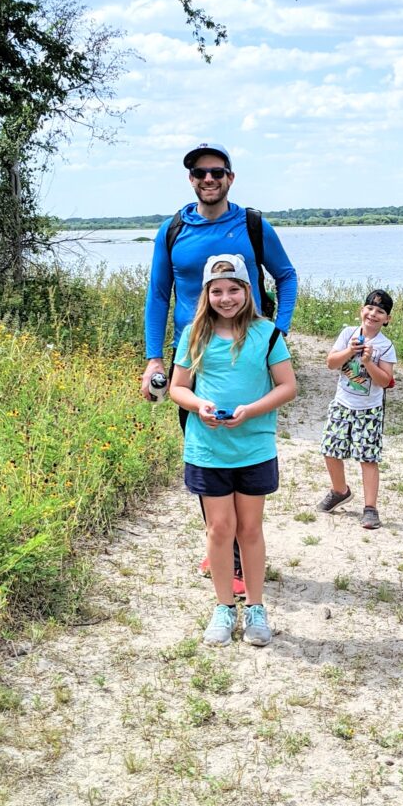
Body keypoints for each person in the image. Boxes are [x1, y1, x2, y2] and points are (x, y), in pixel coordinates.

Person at [141, 141, 298, 595]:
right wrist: (155, 357)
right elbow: (158, 295)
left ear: (230, 177)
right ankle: (221, 548)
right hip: (194, 356)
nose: (208, 179)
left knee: (243, 449)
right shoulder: (173, 230)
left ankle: (231, 554)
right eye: (199, 173)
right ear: (190, 179)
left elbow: (286, 275)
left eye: (217, 172)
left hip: (247, 353)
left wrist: (278, 331)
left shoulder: (250, 224)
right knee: (204, 452)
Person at [169, 254, 296, 646]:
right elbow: (178, 386)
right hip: (207, 449)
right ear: (207, 294)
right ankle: (224, 607)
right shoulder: (194, 334)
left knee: (249, 529)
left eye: (234, 289)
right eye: (217, 291)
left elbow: (287, 387)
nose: (226, 298)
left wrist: (251, 411)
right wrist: (198, 406)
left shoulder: (268, 335)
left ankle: (255, 607)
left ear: (247, 291)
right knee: (219, 529)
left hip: (254, 448)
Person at [317, 289, 397, 530]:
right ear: (361, 311)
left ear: (387, 319)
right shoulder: (347, 334)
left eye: (380, 311)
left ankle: (370, 508)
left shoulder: (386, 346)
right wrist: (350, 351)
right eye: (369, 308)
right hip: (342, 403)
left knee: (368, 457)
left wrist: (368, 362)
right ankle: (340, 490)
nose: (373, 314)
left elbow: (385, 381)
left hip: (369, 409)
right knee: (330, 450)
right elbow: (331, 363)